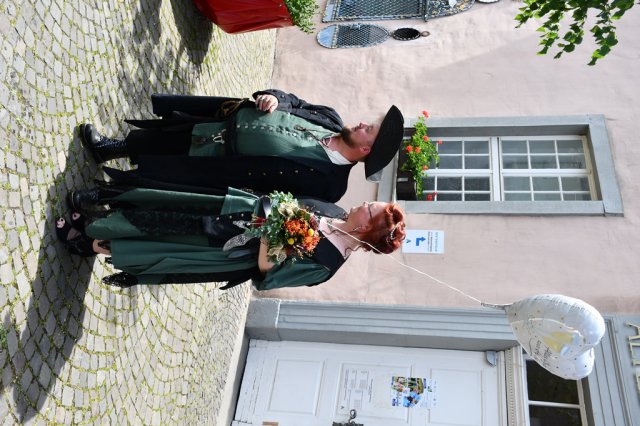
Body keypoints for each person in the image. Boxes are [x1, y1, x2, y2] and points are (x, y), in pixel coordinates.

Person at [73, 89, 404, 204]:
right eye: (369, 123)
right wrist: (275, 98)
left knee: (164, 173)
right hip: (227, 120)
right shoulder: (331, 117)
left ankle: (108, 193)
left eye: (368, 131)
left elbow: (275, 201)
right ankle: (112, 148)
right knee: (170, 134)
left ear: (366, 151)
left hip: (224, 168)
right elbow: (294, 101)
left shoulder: (330, 186)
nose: (362, 123)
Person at [56, 186, 406, 290]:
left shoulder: (326, 264)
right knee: (165, 209)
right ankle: (97, 221)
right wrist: (274, 208)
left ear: (366, 229)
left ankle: (87, 242)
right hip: (230, 208)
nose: (363, 204)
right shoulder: (334, 210)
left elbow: (268, 273)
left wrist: (271, 230)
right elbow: (284, 201)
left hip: (224, 250)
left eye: (369, 209)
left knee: (161, 239)